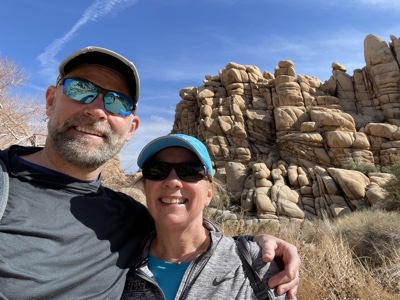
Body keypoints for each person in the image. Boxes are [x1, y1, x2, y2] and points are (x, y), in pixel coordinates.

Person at [0, 46, 299, 299]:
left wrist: (257, 244)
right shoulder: (137, 238)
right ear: (51, 99)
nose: (97, 110)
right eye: (81, 89)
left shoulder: (127, 219)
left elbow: (190, 234)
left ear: (132, 128)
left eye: (190, 171)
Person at [121, 134, 292, 300]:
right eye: (158, 170)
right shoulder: (117, 265)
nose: (172, 181)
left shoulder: (256, 262)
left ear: (209, 192)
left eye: (189, 171)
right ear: (145, 187)